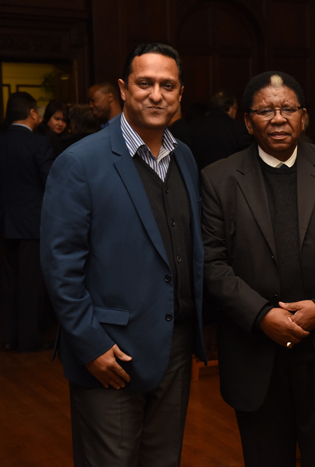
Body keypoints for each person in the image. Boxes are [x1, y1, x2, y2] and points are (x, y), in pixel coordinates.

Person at [200, 71, 315, 467]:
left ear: (303, 117)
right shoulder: (219, 178)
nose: (278, 118)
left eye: (287, 109)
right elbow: (212, 263)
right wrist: (262, 315)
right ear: (248, 121)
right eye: (265, 110)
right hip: (255, 354)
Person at [41, 43, 206, 466]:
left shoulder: (183, 156)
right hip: (109, 355)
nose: (156, 95)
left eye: (167, 85)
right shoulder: (80, 161)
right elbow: (61, 265)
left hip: (173, 349)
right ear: (124, 88)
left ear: (180, 93)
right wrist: (91, 345)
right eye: (144, 83)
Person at [0, 92, 54, 352]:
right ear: (32, 113)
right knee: (31, 283)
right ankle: (29, 339)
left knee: (7, 283)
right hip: (32, 224)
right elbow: (50, 183)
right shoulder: (38, 144)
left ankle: (8, 337)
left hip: (4, 224)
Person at [188, 89, 255, 171]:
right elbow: (248, 161)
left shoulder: (193, 126)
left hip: (199, 180)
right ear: (231, 108)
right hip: (230, 180)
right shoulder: (240, 128)